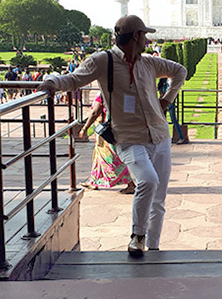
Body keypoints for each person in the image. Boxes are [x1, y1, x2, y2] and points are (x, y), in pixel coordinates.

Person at [38, 15, 186, 257]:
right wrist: (52, 82)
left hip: (159, 135)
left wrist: (167, 99)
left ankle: (155, 247)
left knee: (158, 199)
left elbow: (180, 71)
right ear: (136, 36)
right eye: (144, 36)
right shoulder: (104, 61)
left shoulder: (148, 63)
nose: (147, 41)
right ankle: (138, 236)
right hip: (128, 138)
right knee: (148, 181)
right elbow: (75, 78)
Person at [78, 93, 135, 192]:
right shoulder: (114, 92)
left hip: (104, 131)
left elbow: (95, 113)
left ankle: (130, 183)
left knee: (111, 157)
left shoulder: (102, 95)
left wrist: (84, 128)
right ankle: (94, 181)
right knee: (98, 156)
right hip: (106, 130)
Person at [158, 76, 188, 144]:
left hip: (169, 101)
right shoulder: (165, 79)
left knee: (173, 120)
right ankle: (164, 137)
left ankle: (181, 137)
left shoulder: (171, 80)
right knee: (163, 120)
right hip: (165, 101)